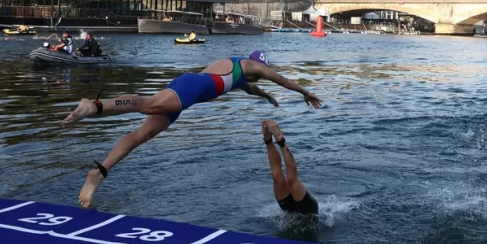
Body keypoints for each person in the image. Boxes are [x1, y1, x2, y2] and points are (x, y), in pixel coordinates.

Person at [62, 51, 323, 209]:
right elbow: (281, 79)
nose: (259, 77)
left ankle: (99, 172)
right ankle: (94, 105)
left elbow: (253, 88)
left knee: (140, 136)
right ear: (258, 65)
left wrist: (266, 97)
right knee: (148, 104)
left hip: (188, 95)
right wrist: (307, 92)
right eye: (261, 72)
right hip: (191, 87)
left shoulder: (242, 78)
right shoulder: (249, 65)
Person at [262, 120, 318, 215]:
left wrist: (280, 140)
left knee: (292, 181)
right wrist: (267, 139)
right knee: (276, 177)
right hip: (290, 211)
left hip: (309, 211)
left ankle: (280, 139)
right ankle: (268, 140)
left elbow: (293, 173)